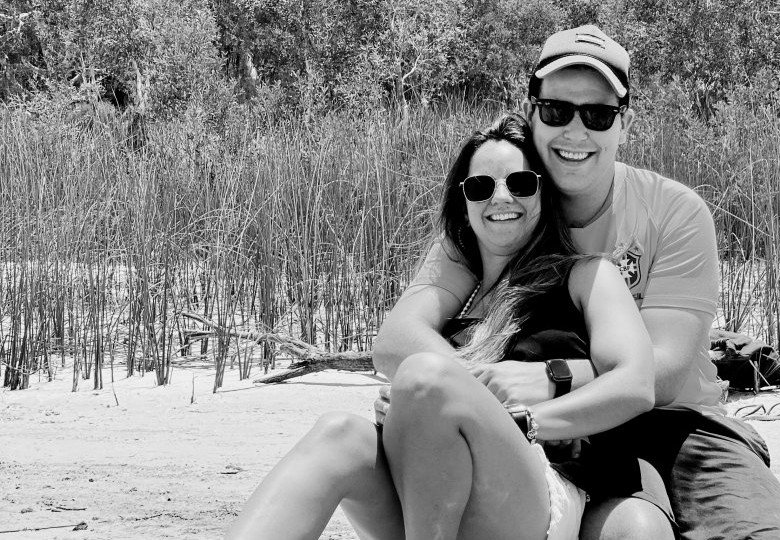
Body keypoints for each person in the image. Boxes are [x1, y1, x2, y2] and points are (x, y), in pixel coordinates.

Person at [374, 25, 780, 539]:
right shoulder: (502, 209)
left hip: (678, 425)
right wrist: (457, 393)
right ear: (532, 112)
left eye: (597, 115)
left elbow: (663, 374)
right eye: (557, 111)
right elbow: (398, 338)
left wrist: (555, 376)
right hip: (540, 428)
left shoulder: (674, 212)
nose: (575, 132)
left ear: (625, 123)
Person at [227, 113, 674, 539]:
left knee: (426, 378)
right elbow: (393, 343)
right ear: (464, 202)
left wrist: (512, 414)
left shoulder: (585, 275)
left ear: (545, 193)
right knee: (338, 433)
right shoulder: (459, 286)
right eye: (481, 187)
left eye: (520, 183)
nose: (501, 198)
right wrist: (425, 405)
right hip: (429, 490)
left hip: (533, 486)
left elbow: (635, 385)